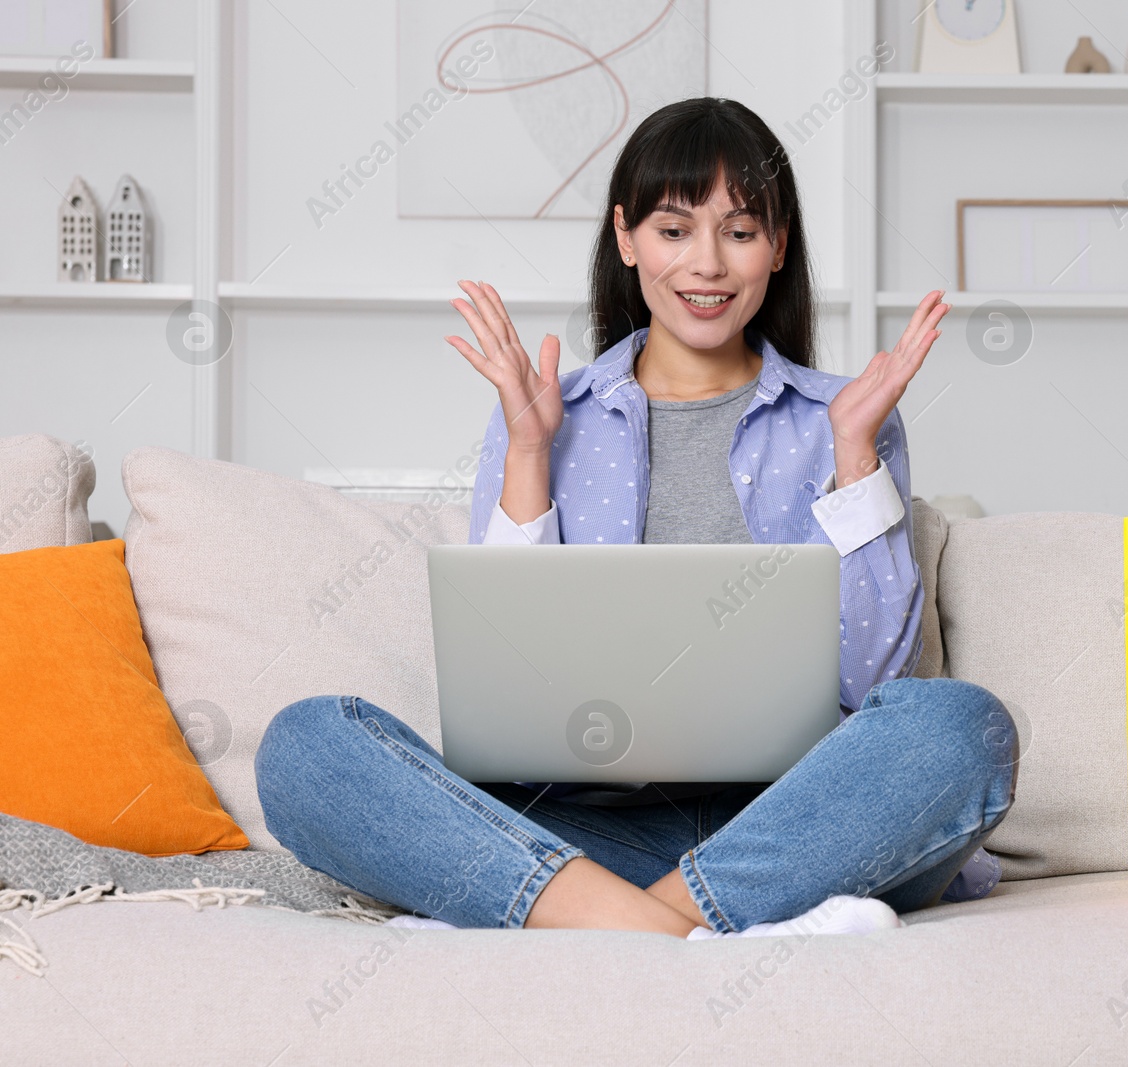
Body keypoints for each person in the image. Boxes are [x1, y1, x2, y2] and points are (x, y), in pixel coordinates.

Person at [255, 98, 1017, 938]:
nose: (708, 264)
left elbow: (874, 686)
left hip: (797, 826)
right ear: (625, 238)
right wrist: (529, 454)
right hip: (587, 829)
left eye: (739, 230)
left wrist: (853, 456)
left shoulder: (847, 418)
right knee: (307, 747)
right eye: (673, 229)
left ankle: (604, 921)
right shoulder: (549, 416)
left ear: (779, 245)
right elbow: (509, 685)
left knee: (961, 726)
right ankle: (679, 923)